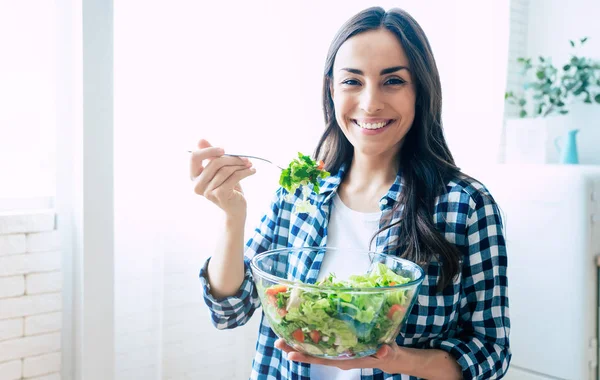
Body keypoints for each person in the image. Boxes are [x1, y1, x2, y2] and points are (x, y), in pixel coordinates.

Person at [190, 6, 510, 380]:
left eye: (393, 81)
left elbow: (491, 353)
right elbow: (231, 309)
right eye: (352, 81)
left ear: (420, 91)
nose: (371, 102)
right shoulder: (301, 193)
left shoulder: (465, 205)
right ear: (332, 89)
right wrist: (232, 215)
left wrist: (392, 359)